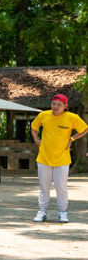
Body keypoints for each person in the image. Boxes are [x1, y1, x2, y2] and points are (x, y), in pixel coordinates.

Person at [30, 94, 88, 223]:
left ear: (65, 106)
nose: (55, 107)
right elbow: (34, 127)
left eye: (59, 105)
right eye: (53, 104)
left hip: (62, 158)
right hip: (44, 157)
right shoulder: (43, 115)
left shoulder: (72, 117)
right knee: (44, 187)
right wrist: (36, 139)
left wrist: (72, 139)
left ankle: (62, 212)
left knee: (61, 187)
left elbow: (85, 129)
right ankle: (42, 211)